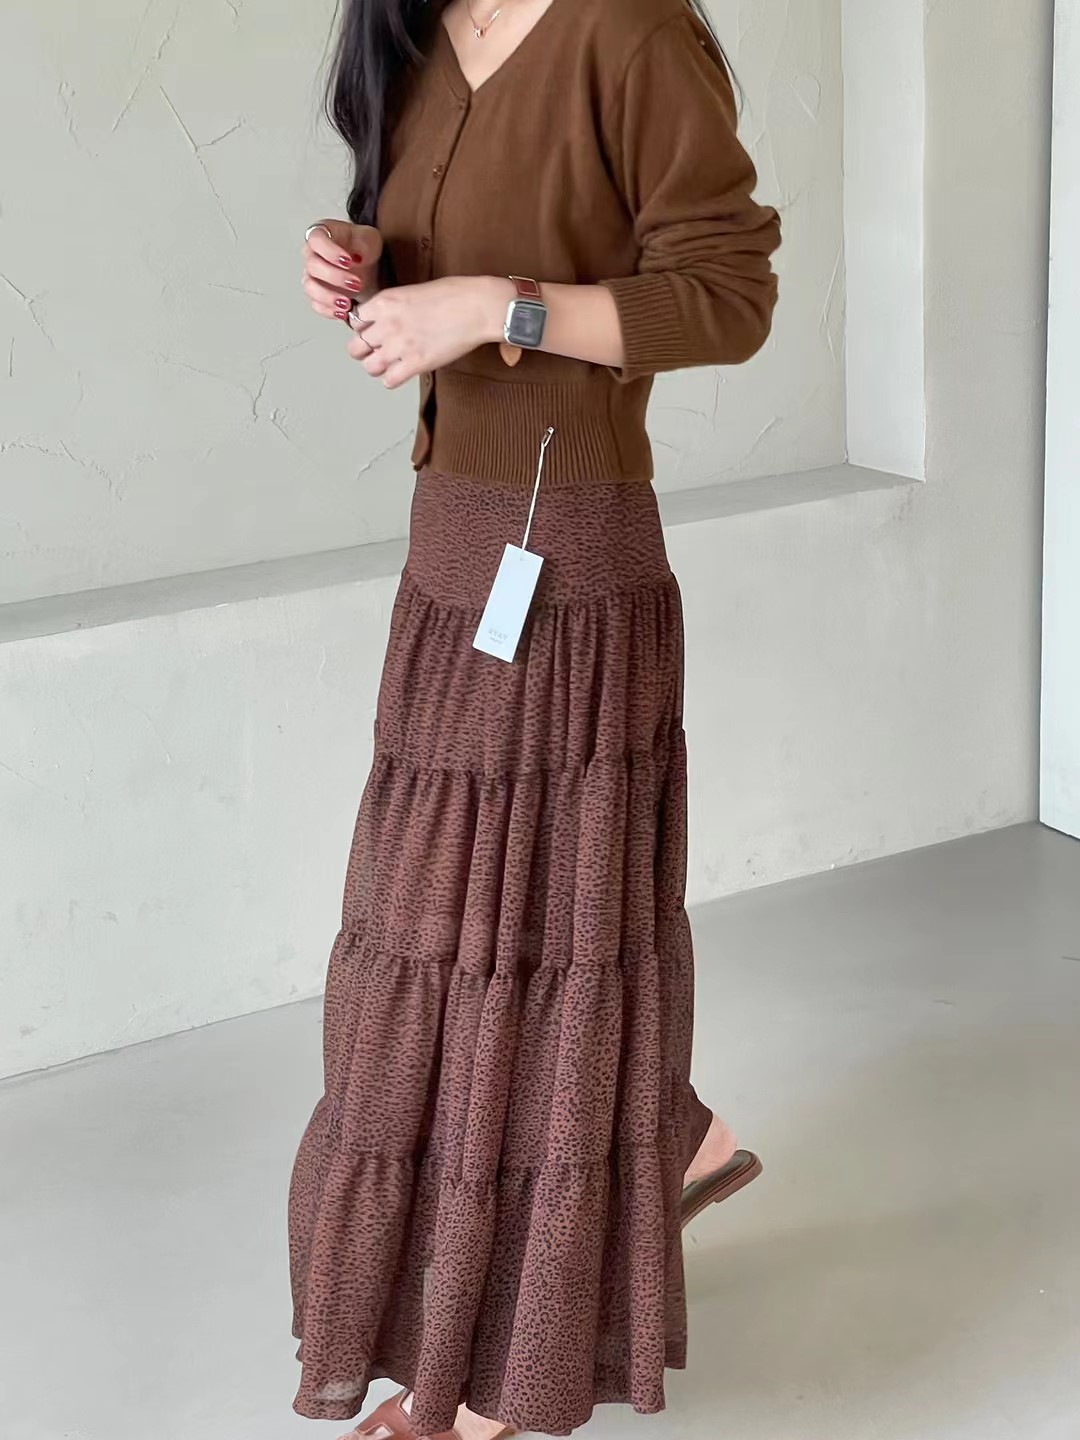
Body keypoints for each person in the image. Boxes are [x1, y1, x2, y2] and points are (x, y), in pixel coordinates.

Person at [288, 0, 781, 1436]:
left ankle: (497, 1381)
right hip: (455, 542)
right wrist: (367, 258)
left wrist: (496, 307)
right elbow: (452, 248)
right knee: (445, 943)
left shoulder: (631, 32)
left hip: (568, 551)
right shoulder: (416, 34)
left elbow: (729, 298)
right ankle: (678, 1139)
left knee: (524, 953)